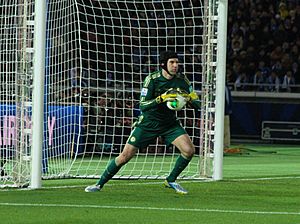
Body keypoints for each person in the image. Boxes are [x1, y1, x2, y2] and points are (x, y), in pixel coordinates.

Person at [85, 50, 201, 194]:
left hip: (169, 124)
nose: (175, 65)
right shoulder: (151, 79)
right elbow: (142, 105)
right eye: (172, 62)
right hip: (148, 123)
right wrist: (161, 98)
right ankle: (99, 184)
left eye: (177, 62)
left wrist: (188, 98)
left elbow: (197, 103)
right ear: (163, 64)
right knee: (124, 157)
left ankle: (170, 180)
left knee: (189, 150)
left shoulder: (183, 81)